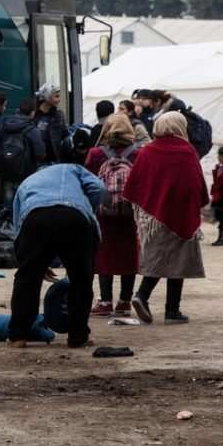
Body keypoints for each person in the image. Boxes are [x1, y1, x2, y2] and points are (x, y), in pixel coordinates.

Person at [7, 160, 106, 349]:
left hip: (36, 218)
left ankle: (18, 336)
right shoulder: (72, 168)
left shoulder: (27, 181)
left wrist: (33, 260)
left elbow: (18, 223)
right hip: (74, 218)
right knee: (81, 279)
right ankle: (78, 336)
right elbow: (99, 189)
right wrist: (86, 207)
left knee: (27, 280)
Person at [123, 112, 208, 325]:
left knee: (158, 257)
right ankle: (169, 309)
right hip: (182, 213)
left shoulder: (147, 152)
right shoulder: (187, 151)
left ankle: (144, 296)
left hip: (152, 217)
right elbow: (195, 183)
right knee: (178, 261)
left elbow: (135, 184)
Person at [84, 114, 140, 317]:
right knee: (129, 254)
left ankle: (105, 301)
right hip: (129, 213)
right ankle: (125, 301)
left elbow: (88, 181)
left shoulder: (96, 153)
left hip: (103, 212)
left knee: (104, 254)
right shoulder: (138, 154)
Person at [33, 84, 68, 163]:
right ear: (47, 97)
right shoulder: (34, 113)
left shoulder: (59, 114)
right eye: (56, 96)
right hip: (36, 161)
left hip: (53, 160)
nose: (59, 100)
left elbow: (65, 134)